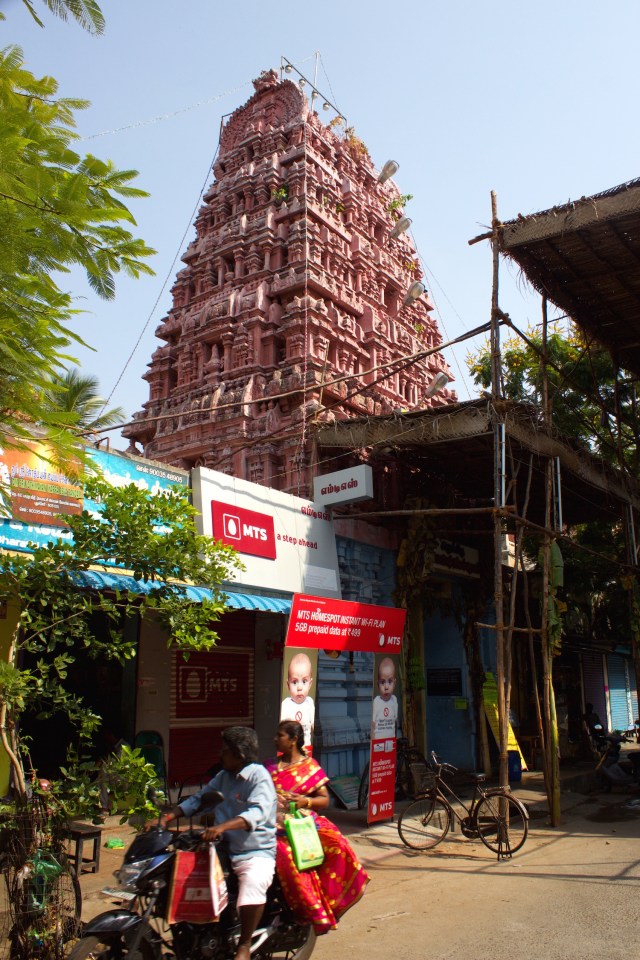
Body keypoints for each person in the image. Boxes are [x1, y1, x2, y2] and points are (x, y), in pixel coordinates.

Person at [158, 726, 276, 960]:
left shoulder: (259, 776)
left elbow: (257, 813)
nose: (220, 755)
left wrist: (222, 826)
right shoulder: (224, 776)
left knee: (252, 884)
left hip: (254, 851)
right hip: (222, 847)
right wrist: (170, 816)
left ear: (239, 755)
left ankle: (243, 944)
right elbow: (201, 798)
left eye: (225, 751)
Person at [265, 720, 369, 935]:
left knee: (337, 843)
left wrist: (304, 801)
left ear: (293, 740)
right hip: (274, 825)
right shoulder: (269, 768)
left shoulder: (310, 767)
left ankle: (332, 900)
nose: (275, 740)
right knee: (287, 859)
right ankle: (308, 907)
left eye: (280, 736)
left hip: (302, 821)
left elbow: (324, 800)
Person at [280, 652, 315, 750]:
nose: (299, 687)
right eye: (294, 682)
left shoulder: (310, 703)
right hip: (289, 750)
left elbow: (314, 725)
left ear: (310, 684)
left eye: (304, 681)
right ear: (288, 685)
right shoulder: (285, 705)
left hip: (306, 750)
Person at [371, 656, 398, 740]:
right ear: (377, 684)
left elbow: (395, 722)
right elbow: (373, 725)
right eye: (382, 682)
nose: (386, 687)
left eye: (390, 681)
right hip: (378, 743)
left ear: (394, 683)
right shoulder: (376, 701)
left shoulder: (394, 700)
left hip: (390, 743)